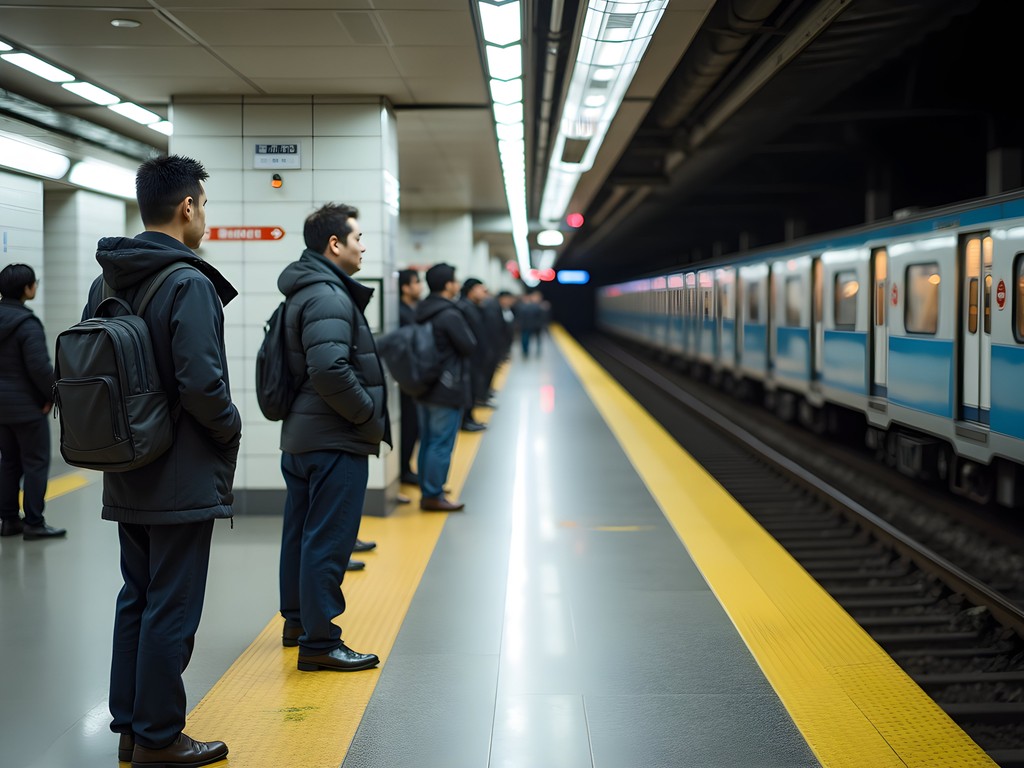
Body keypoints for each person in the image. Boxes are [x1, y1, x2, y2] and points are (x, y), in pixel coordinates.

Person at [83, 156, 240, 767]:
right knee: (173, 602)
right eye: (205, 203)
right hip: (178, 469)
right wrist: (230, 428)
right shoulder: (188, 282)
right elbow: (202, 383)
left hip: (124, 462)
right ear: (189, 207)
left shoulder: (109, 281)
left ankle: (129, 725)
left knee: (138, 595)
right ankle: (157, 737)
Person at [277, 203, 390, 672]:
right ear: (334, 244)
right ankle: (320, 643)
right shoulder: (329, 296)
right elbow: (329, 368)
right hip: (333, 439)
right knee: (328, 542)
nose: (364, 246)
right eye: (358, 237)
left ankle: (298, 623)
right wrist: (366, 416)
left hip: (304, 436)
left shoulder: (304, 291)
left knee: (301, 536)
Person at [0, 263, 63, 540]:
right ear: (27, 288)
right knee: (35, 463)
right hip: (27, 408)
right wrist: (52, 396)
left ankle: (9, 521)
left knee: (9, 462)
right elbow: (39, 368)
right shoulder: (27, 323)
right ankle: (34, 523)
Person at [415, 263, 476, 511]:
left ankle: (429, 486)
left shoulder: (422, 309)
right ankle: (433, 494)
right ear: (448, 285)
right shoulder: (449, 314)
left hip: (423, 385)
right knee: (441, 442)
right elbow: (469, 345)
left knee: (428, 441)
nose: (458, 285)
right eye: (455, 280)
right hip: (446, 386)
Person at [397, 268, 422, 485]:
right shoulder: (401, 313)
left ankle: (406, 467)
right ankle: (403, 469)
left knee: (413, 426)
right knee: (408, 425)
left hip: (414, 377)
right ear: (405, 287)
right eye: (416, 282)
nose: (420, 286)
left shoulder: (412, 309)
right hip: (406, 380)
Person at [456, 277, 490, 432]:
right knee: (468, 389)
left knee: (473, 388)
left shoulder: (474, 306)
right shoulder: (464, 307)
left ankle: (469, 417)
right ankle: (465, 420)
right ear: (471, 290)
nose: (484, 292)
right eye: (480, 289)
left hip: (475, 356)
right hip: (469, 357)